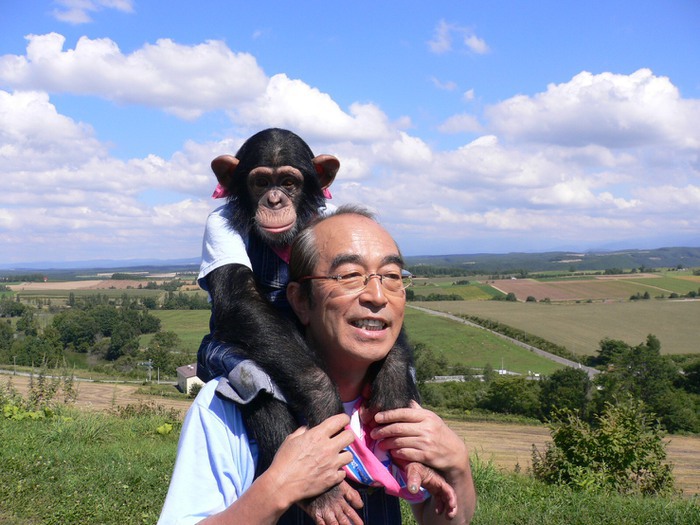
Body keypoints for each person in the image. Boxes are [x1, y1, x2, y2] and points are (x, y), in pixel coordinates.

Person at [158, 205, 476, 524]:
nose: (377, 296)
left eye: (392, 276)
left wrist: (458, 466)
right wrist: (278, 487)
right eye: (350, 275)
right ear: (300, 300)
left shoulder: (397, 404)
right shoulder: (230, 407)